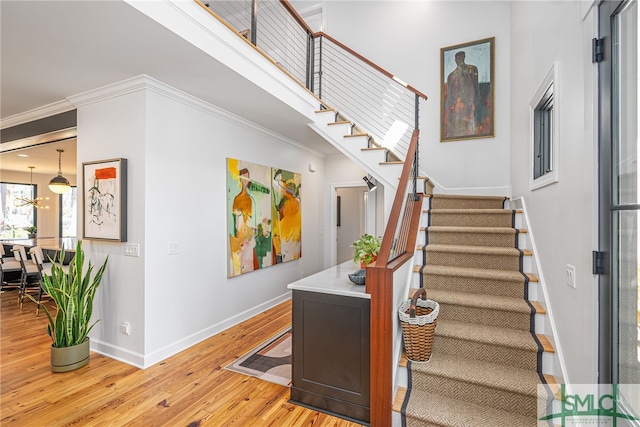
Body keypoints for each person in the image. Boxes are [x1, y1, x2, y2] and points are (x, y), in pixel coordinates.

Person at [444, 50, 480, 139]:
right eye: (457, 58)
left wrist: (476, 102)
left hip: (469, 104)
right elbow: (450, 96)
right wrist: (449, 108)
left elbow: (476, 88)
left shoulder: (472, 70)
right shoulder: (451, 76)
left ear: (464, 57)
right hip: (457, 108)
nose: (459, 59)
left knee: (470, 129)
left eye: (460, 57)